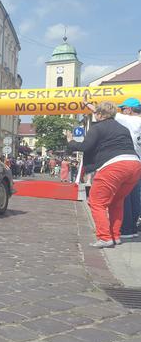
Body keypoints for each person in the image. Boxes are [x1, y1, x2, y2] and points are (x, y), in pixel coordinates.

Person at [67, 101, 141, 248]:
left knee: (96, 202)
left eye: (96, 113)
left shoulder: (98, 127)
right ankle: (115, 236)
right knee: (117, 202)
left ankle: (104, 237)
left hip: (114, 166)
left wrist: (71, 141)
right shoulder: (122, 128)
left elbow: (85, 147)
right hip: (134, 165)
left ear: (99, 114)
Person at [112, 98, 141, 239]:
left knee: (125, 196)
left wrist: (88, 104)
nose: (121, 112)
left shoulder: (132, 121)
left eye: (122, 109)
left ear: (129, 109)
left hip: (133, 161)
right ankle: (133, 226)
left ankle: (127, 229)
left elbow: (107, 113)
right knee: (136, 197)